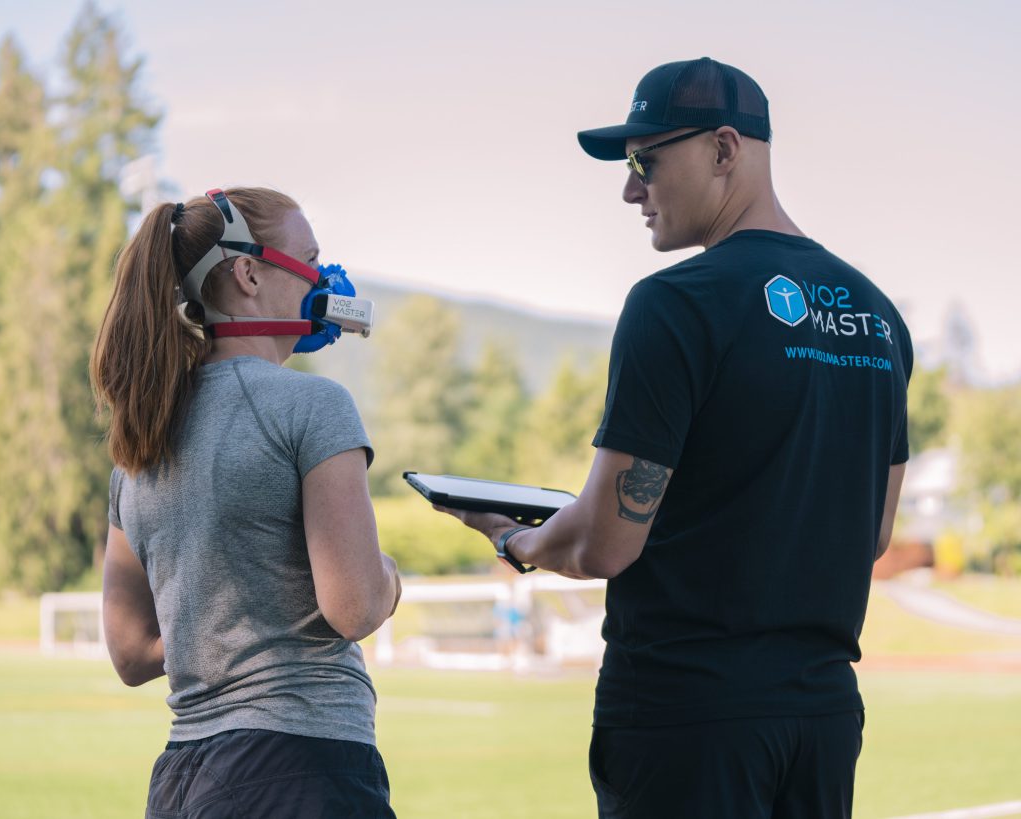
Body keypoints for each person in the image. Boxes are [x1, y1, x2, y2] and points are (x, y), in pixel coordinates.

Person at [437, 58, 911, 818]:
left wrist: (515, 542)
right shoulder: (877, 316)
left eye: (645, 161)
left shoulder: (675, 304)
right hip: (822, 717)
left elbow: (604, 543)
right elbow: (874, 532)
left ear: (726, 150)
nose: (631, 188)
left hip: (689, 716)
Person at [91, 186, 401, 818]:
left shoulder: (139, 438)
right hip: (301, 767)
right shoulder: (313, 406)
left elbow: (129, 652)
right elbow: (355, 607)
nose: (322, 276)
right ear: (250, 272)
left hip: (183, 777)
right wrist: (389, 578)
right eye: (310, 258)